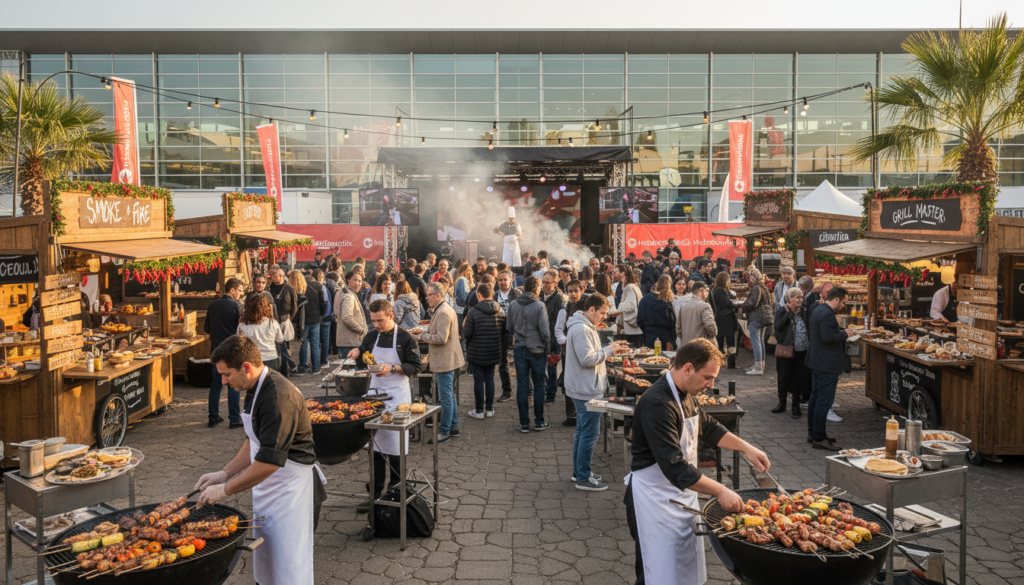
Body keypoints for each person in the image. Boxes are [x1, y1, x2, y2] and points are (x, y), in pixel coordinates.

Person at [625, 339, 770, 585]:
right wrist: (721, 490)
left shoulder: (686, 393)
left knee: (682, 570)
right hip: (654, 501)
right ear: (688, 368)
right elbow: (675, 466)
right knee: (655, 574)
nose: (711, 385)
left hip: (680, 498)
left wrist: (746, 447)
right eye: (708, 377)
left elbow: (710, 427)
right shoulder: (658, 404)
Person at [194, 335, 324, 585]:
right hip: (269, 490)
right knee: (267, 564)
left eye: (227, 374)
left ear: (246, 367)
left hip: (290, 493)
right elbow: (253, 441)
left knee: (288, 568)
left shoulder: (277, 397)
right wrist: (225, 473)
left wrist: (225, 490)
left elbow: (270, 462)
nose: (223, 381)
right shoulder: (253, 387)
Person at [348, 300, 422, 508]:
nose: (376, 325)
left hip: (398, 395)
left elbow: (416, 366)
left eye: (380, 320)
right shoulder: (372, 336)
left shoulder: (406, 338)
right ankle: (375, 494)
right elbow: (364, 353)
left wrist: (392, 367)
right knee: (375, 445)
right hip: (375, 393)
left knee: (396, 445)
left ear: (391, 316)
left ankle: (396, 491)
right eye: (373, 321)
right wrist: (356, 352)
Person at [565, 293, 627, 491]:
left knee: (583, 432)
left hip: (583, 388)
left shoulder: (582, 326)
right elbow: (587, 359)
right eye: (602, 313)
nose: (604, 317)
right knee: (590, 434)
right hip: (586, 390)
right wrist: (609, 350)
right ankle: (583, 477)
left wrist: (609, 349)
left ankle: (579, 472)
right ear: (591, 309)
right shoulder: (582, 329)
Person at [806, 286, 854, 451]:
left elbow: (821, 333)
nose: (844, 305)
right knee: (823, 401)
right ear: (836, 299)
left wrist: (840, 331)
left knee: (815, 398)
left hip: (817, 360)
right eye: (844, 302)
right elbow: (827, 337)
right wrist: (845, 334)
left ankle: (814, 433)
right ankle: (818, 437)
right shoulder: (826, 313)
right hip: (826, 363)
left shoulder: (818, 310)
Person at [418, 282, 465, 443]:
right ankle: (454, 427)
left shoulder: (444, 312)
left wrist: (423, 336)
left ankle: (444, 432)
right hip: (446, 358)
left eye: (429, 295)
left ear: (438, 295)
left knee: (445, 397)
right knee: (449, 396)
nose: (426, 298)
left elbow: (441, 338)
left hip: (445, 360)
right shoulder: (442, 309)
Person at [507, 276, 551, 433]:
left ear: (524, 288)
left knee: (522, 385)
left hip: (520, 348)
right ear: (536, 289)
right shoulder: (539, 305)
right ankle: (539, 421)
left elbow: (509, 326)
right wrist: (549, 347)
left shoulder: (512, 304)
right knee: (539, 384)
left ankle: (524, 423)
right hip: (537, 349)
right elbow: (544, 331)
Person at [204, 277, 245, 428]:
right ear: (232, 290)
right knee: (233, 384)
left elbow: (206, 329)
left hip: (215, 349)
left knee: (216, 384)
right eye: (239, 291)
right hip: (231, 349)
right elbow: (241, 329)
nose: (240, 294)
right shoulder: (237, 306)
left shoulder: (213, 305)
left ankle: (213, 417)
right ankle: (234, 419)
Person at [463, 282, 506, 420]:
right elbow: (504, 331)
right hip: (494, 350)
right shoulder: (500, 310)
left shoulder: (473, 312)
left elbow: (467, 333)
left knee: (479, 381)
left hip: (477, 351)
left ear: (479, 294)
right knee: (490, 379)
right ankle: (490, 408)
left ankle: (479, 410)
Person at [774, 287, 811, 418]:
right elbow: (777, 327)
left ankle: (796, 406)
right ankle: (781, 403)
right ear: (790, 299)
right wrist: (788, 314)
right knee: (784, 377)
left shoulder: (804, 312)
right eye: (797, 297)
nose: (800, 300)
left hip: (802, 350)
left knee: (798, 379)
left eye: (801, 297)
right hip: (786, 350)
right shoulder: (782, 311)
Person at [554, 279, 587, 426]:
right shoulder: (564, 310)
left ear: (581, 291)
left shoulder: (587, 308)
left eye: (576, 291)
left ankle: (585, 412)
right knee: (569, 382)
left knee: (584, 380)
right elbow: (558, 330)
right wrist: (565, 340)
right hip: (568, 352)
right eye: (570, 291)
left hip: (584, 350)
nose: (573, 294)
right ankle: (571, 414)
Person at [237, 294, 284, 371]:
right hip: (270, 358)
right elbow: (280, 340)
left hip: (251, 359)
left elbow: (239, 342)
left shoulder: (242, 325)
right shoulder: (272, 323)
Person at [539, 270, 566, 403]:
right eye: (543, 282)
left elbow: (558, 321)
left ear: (555, 283)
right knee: (541, 366)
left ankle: (551, 394)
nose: (545, 285)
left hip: (554, 339)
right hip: (541, 337)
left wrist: (555, 341)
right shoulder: (539, 295)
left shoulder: (558, 298)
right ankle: (544, 390)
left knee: (552, 367)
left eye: (548, 283)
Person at [740, 268, 773, 375]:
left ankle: (758, 368)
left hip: (756, 317)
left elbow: (753, 303)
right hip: (764, 317)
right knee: (761, 341)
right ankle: (760, 365)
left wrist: (742, 306)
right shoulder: (764, 287)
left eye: (751, 276)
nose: (750, 278)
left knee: (756, 342)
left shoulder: (756, 288)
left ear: (754, 277)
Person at [494, 270, 520, 402]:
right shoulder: (494, 296)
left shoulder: (517, 295)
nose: (503, 282)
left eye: (505, 280)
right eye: (500, 280)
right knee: (502, 362)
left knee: (520, 361)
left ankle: (524, 391)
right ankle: (506, 390)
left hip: (516, 331)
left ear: (511, 280)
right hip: (500, 331)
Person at [268, 268, 298, 377]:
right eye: (274, 276)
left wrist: (289, 319)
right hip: (271, 321)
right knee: (273, 347)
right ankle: (276, 370)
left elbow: (294, 307)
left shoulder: (289, 288)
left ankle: (285, 371)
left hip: (285, 320)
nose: (276, 279)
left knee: (283, 346)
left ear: (282, 276)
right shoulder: (269, 289)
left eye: (278, 276)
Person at [334, 270, 368, 359]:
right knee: (351, 371)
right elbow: (347, 318)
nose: (358, 283)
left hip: (346, 340)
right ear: (348, 280)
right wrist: (362, 330)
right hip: (350, 342)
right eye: (355, 280)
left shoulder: (342, 292)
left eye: (360, 281)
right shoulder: (348, 296)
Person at [710, 271, 740, 370]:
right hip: (726, 320)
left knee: (720, 342)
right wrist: (734, 304)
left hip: (719, 319)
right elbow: (727, 304)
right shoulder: (721, 291)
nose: (729, 281)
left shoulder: (714, 290)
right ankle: (730, 363)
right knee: (730, 342)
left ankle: (719, 362)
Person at [637, 275, 676, 350]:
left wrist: (646, 331)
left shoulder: (645, 299)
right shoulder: (667, 301)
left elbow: (639, 320)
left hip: (650, 334)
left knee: (651, 358)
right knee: (664, 359)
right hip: (665, 335)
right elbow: (672, 321)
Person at [298, 270, 324, 375]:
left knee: (303, 343)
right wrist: (321, 314)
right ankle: (316, 368)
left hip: (304, 319)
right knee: (315, 343)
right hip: (316, 319)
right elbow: (323, 302)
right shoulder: (318, 286)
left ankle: (302, 367)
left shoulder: (301, 287)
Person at [612, 263, 644, 346]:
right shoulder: (633, 286)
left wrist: (618, 309)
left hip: (632, 328)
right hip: (635, 327)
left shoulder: (629, 287)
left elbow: (630, 305)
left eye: (616, 271)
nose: (614, 274)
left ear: (623, 273)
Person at [314, 270, 334, 367]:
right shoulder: (324, 287)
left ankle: (317, 362)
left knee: (317, 341)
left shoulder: (314, 287)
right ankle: (323, 361)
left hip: (319, 317)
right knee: (325, 341)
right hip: (326, 318)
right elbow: (326, 302)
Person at [452, 262, 474, 330]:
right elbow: (463, 297)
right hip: (461, 311)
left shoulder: (465, 280)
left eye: (470, 270)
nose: (469, 272)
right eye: (467, 270)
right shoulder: (462, 280)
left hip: (461, 310)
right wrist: (469, 305)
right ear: (463, 271)